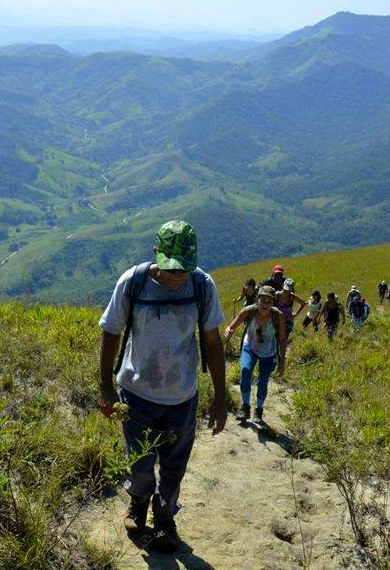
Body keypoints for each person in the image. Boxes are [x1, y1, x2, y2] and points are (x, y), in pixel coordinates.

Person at [98, 220, 227, 553]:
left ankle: (166, 516)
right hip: (135, 395)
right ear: (156, 254)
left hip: (181, 398)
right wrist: (107, 388)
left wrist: (220, 397)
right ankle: (139, 501)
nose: (177, 276)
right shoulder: (134, 282)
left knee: (174, 466)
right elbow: (111, 332)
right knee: (139, 462)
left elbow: (212, 343)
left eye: (183, 269)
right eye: (171, 269)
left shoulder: (202, 286)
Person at [223, 285, 287, 422]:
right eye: (263, 300)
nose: (265, 304)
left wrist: (282, 362)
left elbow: (282, 340)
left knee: (262, 381)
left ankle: (258, 410)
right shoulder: (248, 311)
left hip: (268, 352)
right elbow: (232, 326)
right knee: (245, 372)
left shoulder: (279, 317)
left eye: (269, 301)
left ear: (273, 303)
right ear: (257, 300)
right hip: (250, 347)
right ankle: (245, 407)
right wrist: (229, 331)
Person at [275, 278, 306, 342]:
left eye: (287, 290)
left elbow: (303, 303)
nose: (286, 292)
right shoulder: (276, 295)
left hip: (288, 321)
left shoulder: (291, 296)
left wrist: (296, 313)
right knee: (276, 339)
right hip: (277, 321)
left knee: (283, 340)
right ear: (282, 287)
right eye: (285, 289)